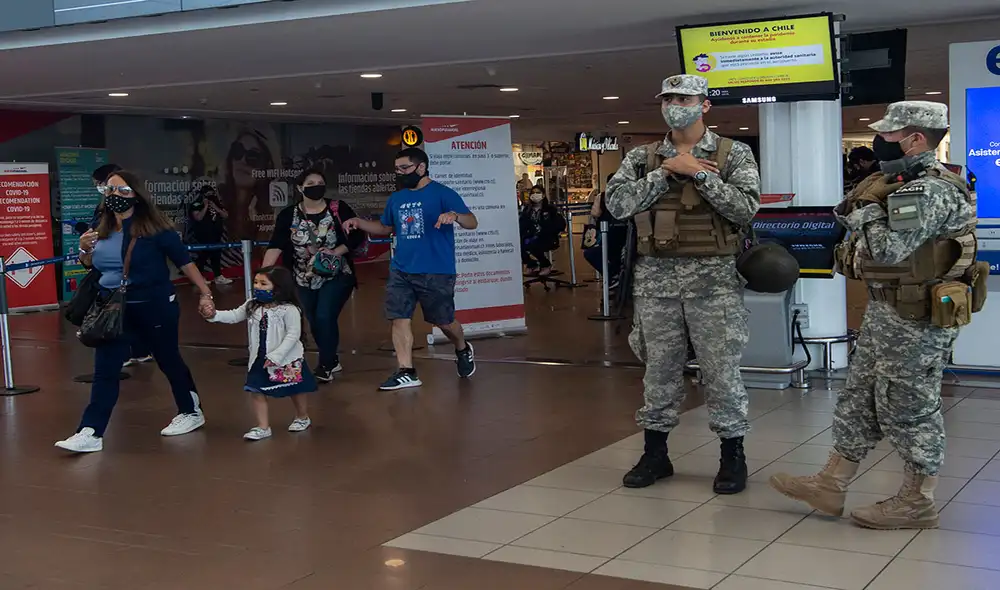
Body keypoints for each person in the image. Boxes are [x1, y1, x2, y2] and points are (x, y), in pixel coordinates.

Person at [770, 101, 978, 529]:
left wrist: (865, 211)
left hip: (918, 319)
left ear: (915, 139)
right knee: (859, 398)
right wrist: (862, 203)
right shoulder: (897, 183)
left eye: (888, 135)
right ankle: (831, 483)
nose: (879, 141)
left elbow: (887, 249)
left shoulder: (932, 190)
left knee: (909, 406)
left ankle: (917, 501)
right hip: (887, 310)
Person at [606, 74, 761, 495]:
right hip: (655, 282)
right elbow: (617, 205)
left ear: (704, 105)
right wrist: (665, 172)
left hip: (714, 282)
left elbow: (745, 209)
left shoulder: (732, 154)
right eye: (668, 99)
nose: (675, 106)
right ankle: (655, 453)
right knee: (659, 370)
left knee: (721, 370)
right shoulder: (643, 158)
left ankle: (732, 455)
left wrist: (700, 175)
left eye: (684, 99)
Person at [56, 170, 215, 453]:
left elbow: (184, 262)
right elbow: (91, 264)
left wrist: (205, 293)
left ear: (136, 194)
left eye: (122, 190)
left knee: (168, 359)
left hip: (154, 305)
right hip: (113, 308)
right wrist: (83, 250)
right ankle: (90, 431)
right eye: (109, 190)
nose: (115, 196)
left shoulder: (156, 228)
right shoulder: (100, 226)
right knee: (105, 370)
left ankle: (191, 411)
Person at [343, 147, 478, 391]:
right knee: (399, 317)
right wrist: (359, 222)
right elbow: (386, 228)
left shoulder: (443, 193)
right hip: (401, 269)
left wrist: (455, 216)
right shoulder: (397, 198)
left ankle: (462, 347)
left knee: (444, 322)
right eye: (397, 169)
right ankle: (406, 371)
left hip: (436, 270)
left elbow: (472, 222)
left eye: (404, 168)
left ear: (421, 167)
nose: (400, 173)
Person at [262, 167, 364, 382]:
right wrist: (263, 276)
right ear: (300, 188)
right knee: (313, 319)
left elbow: (356, 238)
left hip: (337, 274)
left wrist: (336, 252)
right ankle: (331, 358)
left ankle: (325, 366)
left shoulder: (338, 209)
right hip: (301, 277)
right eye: (310, 184)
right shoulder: (288, 215)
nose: (316, 187)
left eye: (320, 183)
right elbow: (276, 245)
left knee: (325, 315)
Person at [205, 266, 316, 441]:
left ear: (278, 287)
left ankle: (302, 417)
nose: (258, 286)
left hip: (286, 359)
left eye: (264, 284)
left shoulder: (290, 310)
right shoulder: (252, 305)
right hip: (259, 357)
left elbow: (293, 335)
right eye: (256, 282)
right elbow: (234, 315)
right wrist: (213, 315)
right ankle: (263, 426)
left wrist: (277, 356)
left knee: (295, 388)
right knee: (255, 389)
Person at [90, 163, 153, 368]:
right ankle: (135, 351)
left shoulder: (144, 220)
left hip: (128, 283)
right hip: (113, 282)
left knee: (125, 318)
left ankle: (132, 351)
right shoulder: (105, 212)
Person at [584, 173, 628, 288]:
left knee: (592, 253)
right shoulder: (629, 196)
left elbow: (595, 213)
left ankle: (612, 276)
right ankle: (614, 276)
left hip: (607, 233)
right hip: (625, 235)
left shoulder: (602, 196)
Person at [187, 184, 232, 285]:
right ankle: (198, 278)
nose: (211, 196)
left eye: (212, 194)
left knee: (216, 255)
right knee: (203, 256)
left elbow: (225, 215)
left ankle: (218, 276)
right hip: (203, 235)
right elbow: (198, 217)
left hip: (216, 234)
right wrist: (205, 205)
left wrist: (215, 207)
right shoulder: (196, 204)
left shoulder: (216, 203)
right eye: (208, 194)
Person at [519, 187, 566, 276]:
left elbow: (558, 225)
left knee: (533, 243)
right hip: (531, 236)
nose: (535, 195)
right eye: (533, 193)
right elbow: (522, 225)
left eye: (538, 192)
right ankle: (531, 264)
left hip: (547, 237)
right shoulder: (527, 210)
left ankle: (545, 264)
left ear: (543, 195)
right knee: (520, 243)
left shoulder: (550, 210)